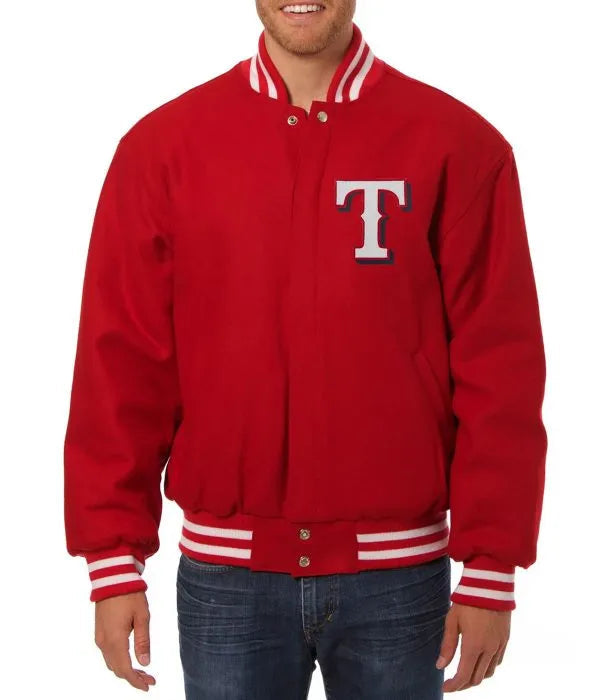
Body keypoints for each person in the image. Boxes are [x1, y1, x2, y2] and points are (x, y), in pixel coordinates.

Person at [63, 1, 547, 697]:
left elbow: (501, 367)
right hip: (226, 580)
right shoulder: (162, 148)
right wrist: (113, 559)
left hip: (400, 579)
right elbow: (120, 364)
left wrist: (491, 567)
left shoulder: (458, 145)